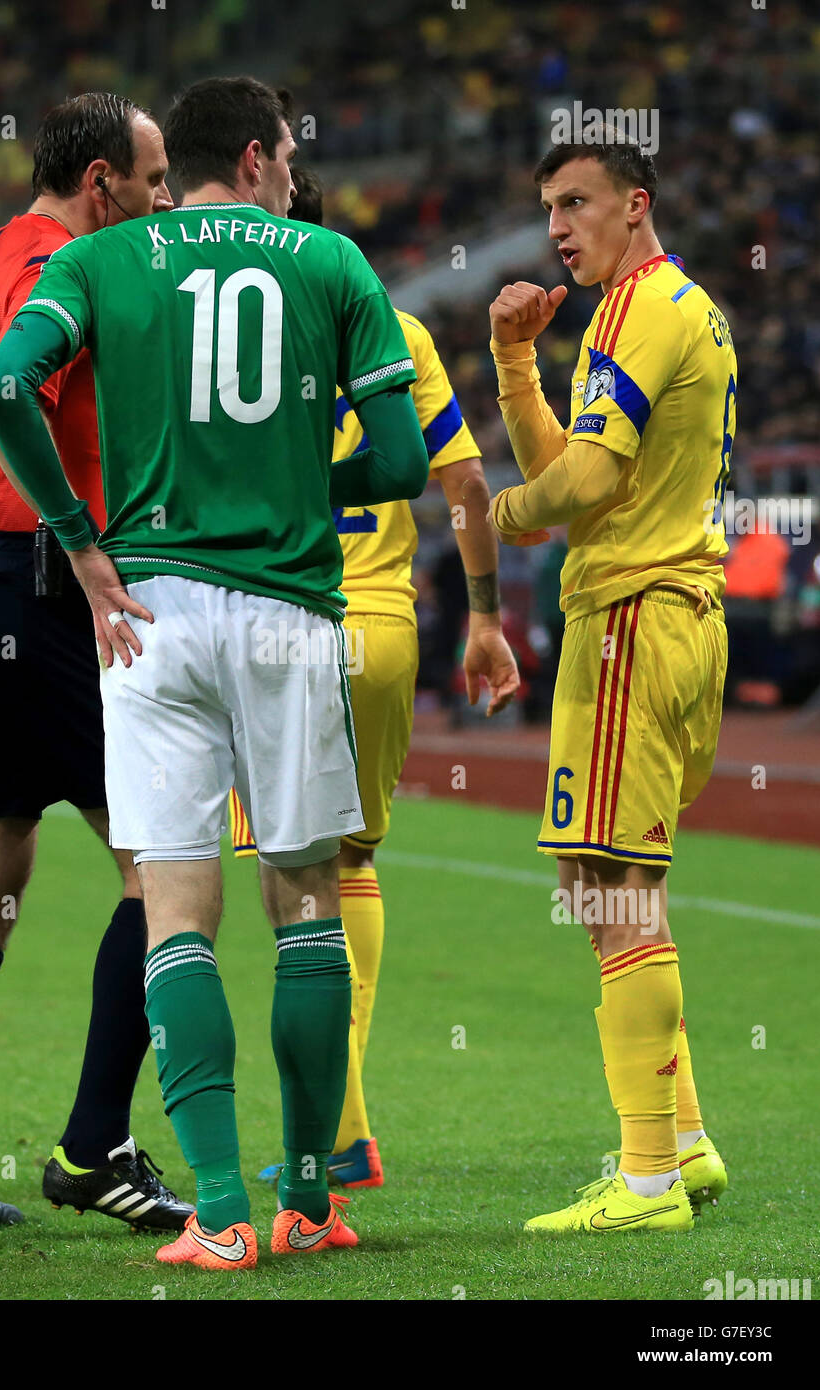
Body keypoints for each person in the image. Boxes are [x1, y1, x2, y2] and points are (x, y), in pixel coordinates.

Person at [0, 76, 429, 1270]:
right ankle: (312, 1201)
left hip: (147, 615)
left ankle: (222, 1216)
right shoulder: (330, 264)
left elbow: (5, 389)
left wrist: (80, 542)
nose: (293, 170)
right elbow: (401, 459)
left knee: (174, 913)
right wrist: (299, 486)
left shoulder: (105, 256)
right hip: (288, 615)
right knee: (307, 900)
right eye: (287, 152)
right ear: (258, 153)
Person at [0, 93, 191, 1235]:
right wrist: (82, 541)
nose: (165, 197)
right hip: (32, 586)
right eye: (156, 178)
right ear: (101, 186)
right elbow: (9, 395)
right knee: (166, 867)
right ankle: (91, 1148)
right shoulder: (68, 274)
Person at [231, 166, 520, 1190]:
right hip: (385, 631)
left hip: (274, 621)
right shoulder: (396, 329)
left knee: (285, 878)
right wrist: (484, 617)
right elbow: (468, 483)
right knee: (350, 861)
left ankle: (334, 1134)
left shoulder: (231, 342)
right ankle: (342, 1127)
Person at [487, 139, 734, 1233]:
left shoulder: (643, 304)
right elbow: (580, 477)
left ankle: (644, 1184)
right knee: (601, 877)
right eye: (548, 208)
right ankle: (680, 1139)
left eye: (576, 203)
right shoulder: (661, 309)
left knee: (617, 886)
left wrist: (483, 518)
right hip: (654, 608)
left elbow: (574, 485)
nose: (557, 227)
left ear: (636, 206)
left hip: (639, 614)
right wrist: (513, 366)